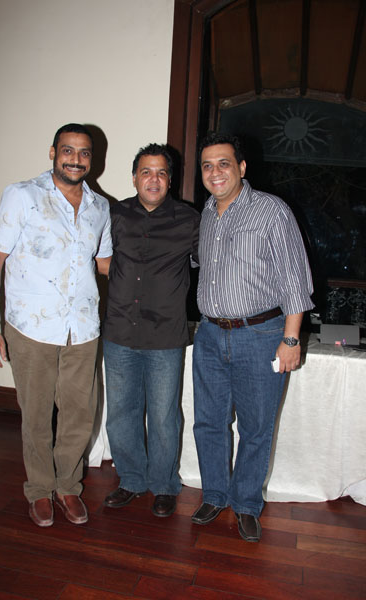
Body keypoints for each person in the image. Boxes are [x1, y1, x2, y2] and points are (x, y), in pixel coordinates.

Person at [0, 123, 112, 527]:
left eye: (84, 152)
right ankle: (39, 489)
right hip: (30, 327)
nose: (76, 159)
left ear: (92, 159)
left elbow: (105, 264)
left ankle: (68, 486)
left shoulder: (100, 207)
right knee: (36, 414)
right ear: (53, 152)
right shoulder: (22, 195)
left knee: (79, 414)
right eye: (68, 150)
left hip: (83, 328)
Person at [192, 132, 314, 542]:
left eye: (224, 163)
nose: (215, 172)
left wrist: (291, 340)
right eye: (208, 165)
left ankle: (245, 504)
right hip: (209, 335)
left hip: (261, 335)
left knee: (256, 427)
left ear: (242, 168)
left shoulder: (271, 211)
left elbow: (295, 280)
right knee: (209, 422)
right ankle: (214, 495)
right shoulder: (206, 213)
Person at [102, 143, 200, 517]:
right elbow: (99, 258)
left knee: (163, 416)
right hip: (119, 332)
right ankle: (131, 480)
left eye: (161, 173)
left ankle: (163, 485)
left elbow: (214, 262)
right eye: (146, 172)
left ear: (170, 180)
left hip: (165, 337)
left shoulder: (189, 220)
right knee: (121, 413)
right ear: (134, 178)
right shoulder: (115, 215)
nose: (153, 179)